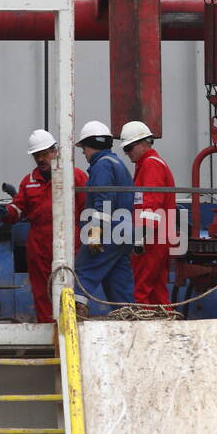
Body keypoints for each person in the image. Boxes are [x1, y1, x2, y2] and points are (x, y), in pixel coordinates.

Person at [0, 129, 87, 323]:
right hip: (39, 245)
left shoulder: (75, 177)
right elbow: (19, 208)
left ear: (56, 151)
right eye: (37, 155)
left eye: (45, 153)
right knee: (42, 290)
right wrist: (8, 212)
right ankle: (48, 330)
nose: (41, 159)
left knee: (70, 288)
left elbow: (87, 209)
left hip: (70, 242)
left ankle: (73, 328)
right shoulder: (28, 182)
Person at [74, 120, 135, 315]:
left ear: (92, 145)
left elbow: (103, 200)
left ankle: (76, 311)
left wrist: (95, 232)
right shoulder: (119, 164)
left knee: (84, 269)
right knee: (118, 279)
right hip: (124, 232)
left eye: (84, 148)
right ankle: (128, 317)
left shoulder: (102, 166)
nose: (84, 153)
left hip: (109, 231)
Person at [119, 120, 175, 307]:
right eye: (125, 149)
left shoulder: (151, 165)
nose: (127, 153)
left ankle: (141, 329)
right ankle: (164, 325)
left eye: (129, 147)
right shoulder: (149, 164)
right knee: (157, 290)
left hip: (152, 238)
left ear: (144, 143)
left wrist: (141, 237)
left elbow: (151, 203)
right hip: (158, 237)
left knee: (140, 289)